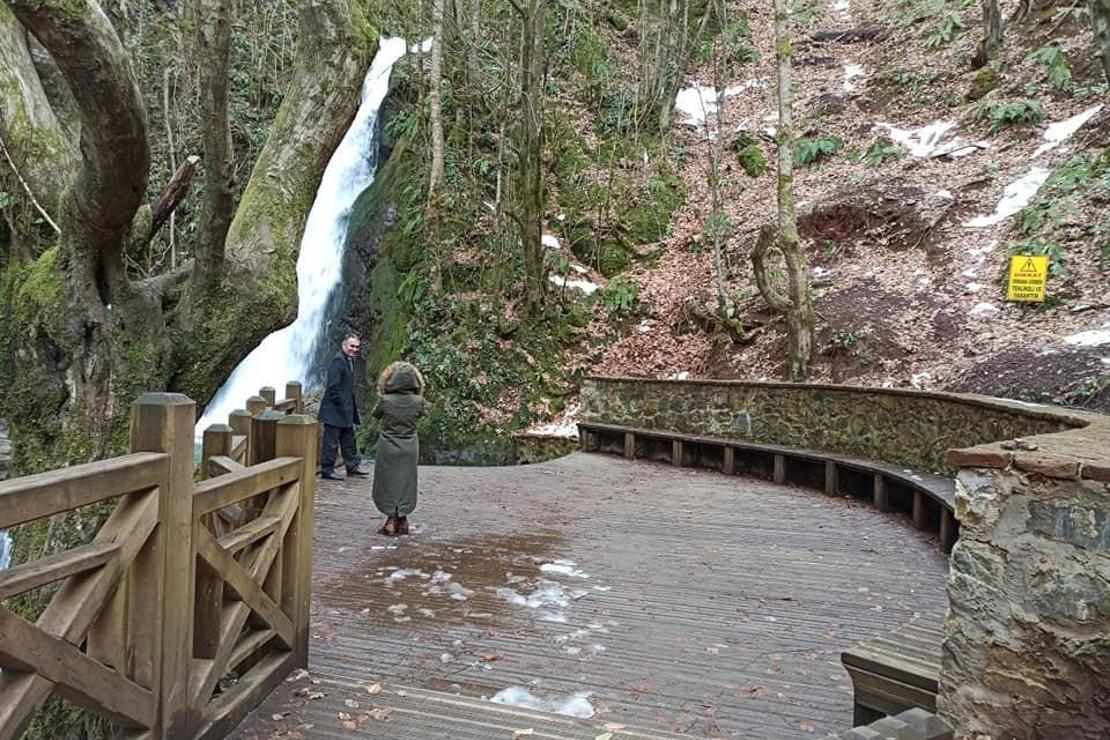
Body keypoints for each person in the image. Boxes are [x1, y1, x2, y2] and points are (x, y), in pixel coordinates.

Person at [371, 361, 426, 536]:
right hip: (409, 446)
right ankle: (403, 520)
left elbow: (375, 414)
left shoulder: (385, 401)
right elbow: (422, 414)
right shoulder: (418, 401)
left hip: (388, 445)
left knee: (388, 482)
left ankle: (391, 520)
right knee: (406, 483)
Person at [318, 335, 369, 480]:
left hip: (346, 410)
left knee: (349, 440)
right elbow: (333, 386)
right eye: (352, 346)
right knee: (331, 442)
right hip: (334, 410)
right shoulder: (338, 361)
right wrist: (342, 404)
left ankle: (352, 467)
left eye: (357, 347)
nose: (354, 349)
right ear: (344, 345)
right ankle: (327, 470)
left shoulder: (349, 361)